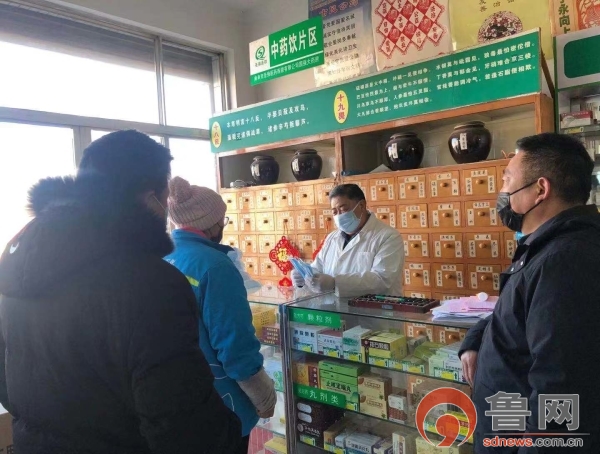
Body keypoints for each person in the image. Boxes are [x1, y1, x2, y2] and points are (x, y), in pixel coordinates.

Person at [0, 131, 241, 454]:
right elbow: (184, 425)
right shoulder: (150, 282)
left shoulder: (17, 263)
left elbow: (7, 381)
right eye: (163, 197)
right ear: (149, 198)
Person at [459, 133, 600, 453]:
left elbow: (560, 389)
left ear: (540, 189)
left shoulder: (564, 262)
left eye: (507, 179)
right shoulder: (546, 248)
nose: (502, 191)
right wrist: (476, 339)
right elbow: (519, 314)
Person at [164, 177, 276, 454]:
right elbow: (234, 344)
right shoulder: (216, 267)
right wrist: (263, 395)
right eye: (223, 220)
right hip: (221, 403)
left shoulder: (164, 256)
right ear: (212, 224)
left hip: (177, 396)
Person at [292, 183, 404, 297]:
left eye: (344, 209)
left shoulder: (388, 237)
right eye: (334, 212)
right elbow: (318, 268)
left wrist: (335, 283)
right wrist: (304, 277)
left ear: (361, 205)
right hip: (333, 306)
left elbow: (381, 280)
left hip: (372, 307)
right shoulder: (332, 238)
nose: (339, 216)